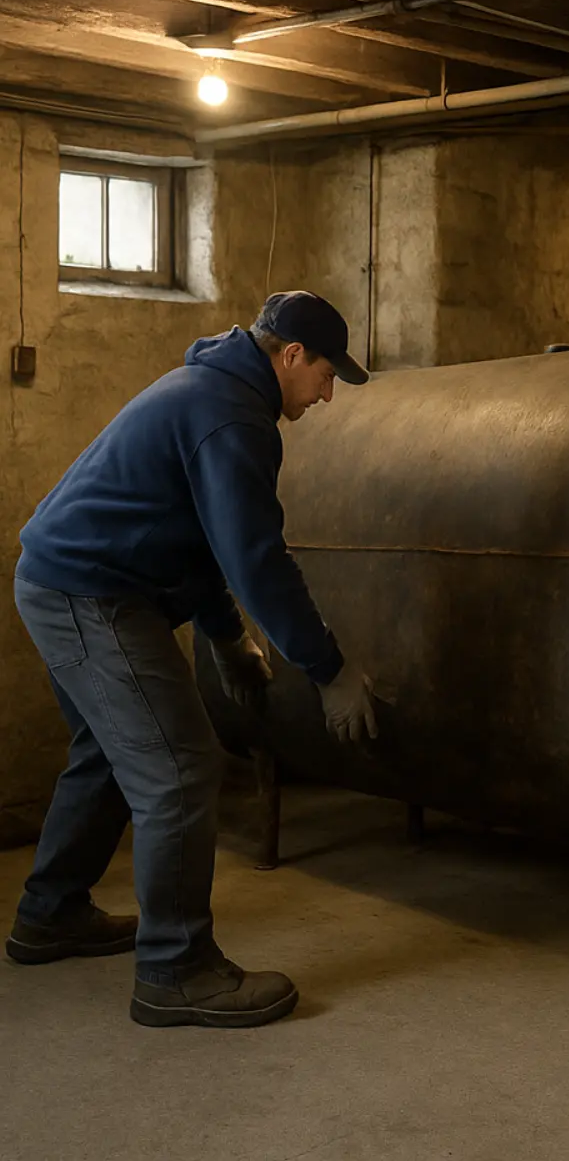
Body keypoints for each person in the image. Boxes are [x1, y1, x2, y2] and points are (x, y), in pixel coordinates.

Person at [5, 291, 380, 1030]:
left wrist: (225, 637)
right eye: (327, 374)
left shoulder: (216, 391)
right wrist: (329, 669)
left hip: (66, 580)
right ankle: (176, 970)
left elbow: (202, 540)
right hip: (91, 593)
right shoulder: (233, 415)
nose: (328, 393)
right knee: (178, 770)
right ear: (291, 355)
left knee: (111, 754)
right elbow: (254, 559)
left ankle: (51, 914)